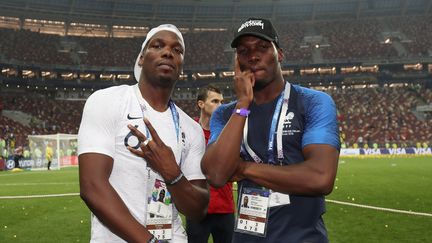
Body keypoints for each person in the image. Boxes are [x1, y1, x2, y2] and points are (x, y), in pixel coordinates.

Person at [201, 18, 340, 242]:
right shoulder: (225, 114)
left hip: (302, 237)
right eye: (244, 51)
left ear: (280, 54)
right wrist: (243, 105)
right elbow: (217, 175)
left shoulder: (312, 102)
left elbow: (320, 177)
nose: (253, 56)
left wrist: (245, 168)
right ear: (237, 61)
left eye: (263, 48)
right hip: (246, 236)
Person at [78, 24, 209, 243]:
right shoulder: (107, 101)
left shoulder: (191, 128)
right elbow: (92, 187)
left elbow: (198, 209)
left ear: (182, 67)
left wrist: (173, 173)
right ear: (141, 58)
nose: (168, 52)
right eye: (157, 45)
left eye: (177, 50)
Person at [186, 85, 235, 243]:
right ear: (201, 104)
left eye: (222, 102)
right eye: (215, 101)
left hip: (224, 208)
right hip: (197, 207)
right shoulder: (187, 130)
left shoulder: (227, 133)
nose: (220, 106)